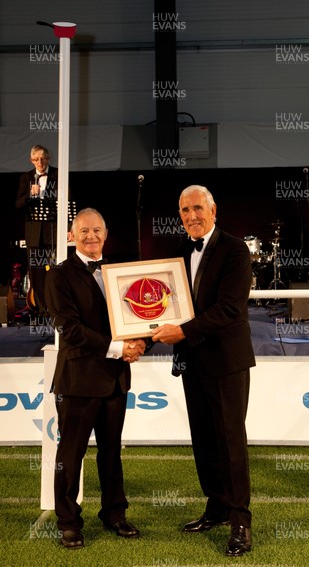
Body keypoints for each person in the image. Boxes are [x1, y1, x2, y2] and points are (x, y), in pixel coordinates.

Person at [151, 184, 256, 557]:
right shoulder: (179, 253)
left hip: (227, 362)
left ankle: (240, 521)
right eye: (184, 211)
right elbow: (163, 310)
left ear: (213, 210)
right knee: (204, 440)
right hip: (192, 361)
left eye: (197, 208)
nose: (191, 216)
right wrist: (138, 340)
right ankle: (216, 507)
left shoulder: (234, 249)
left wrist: (182, 331)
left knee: (230, 441)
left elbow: (231, 309)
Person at [45, 207, 147, 549]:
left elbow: (138, 316)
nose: (91, 236)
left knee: (111, 452)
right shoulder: (58, 276)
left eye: (97, 230)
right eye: (84, 231)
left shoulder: (119, 272)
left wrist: (141, 341)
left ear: (106, 234)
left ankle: (114, 513)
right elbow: (70, 330)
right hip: (78, 381)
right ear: (72, 235)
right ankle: (68, 521)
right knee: (70, 454)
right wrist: (119, 349)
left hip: (115, 380)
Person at [15, 145, 58, 316]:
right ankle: (41, 311)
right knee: (37, 272)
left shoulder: (58, 174)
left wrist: (69, 229)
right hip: (33, 234)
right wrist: (29, 195)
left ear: (48, 158)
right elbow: (17, 204)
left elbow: (69, 200)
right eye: (36, 159)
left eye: (43, 158)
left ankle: (56, 309)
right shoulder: (26, 178)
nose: (40, 162)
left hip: (52, 233)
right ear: (31, 161)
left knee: (54, 271)